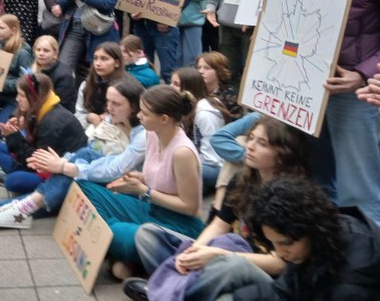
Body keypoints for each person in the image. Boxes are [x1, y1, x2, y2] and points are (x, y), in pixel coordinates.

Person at [125, 117, 310, 301]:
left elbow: (280, 264)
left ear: (282, 153)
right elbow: (219, 225)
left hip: (259, 272)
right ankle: (177, 290)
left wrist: (216, 256)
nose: (250, 146)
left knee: (232, 268)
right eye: (250, 138)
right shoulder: (241, 180)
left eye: (262, 143)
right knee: (147, 234)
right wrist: (194, 252)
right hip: (227, 252)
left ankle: (165, 292)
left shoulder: (292, 196)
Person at [0, 78, 147, 229]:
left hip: (104, 183)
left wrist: (64, 165)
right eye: (108, 102)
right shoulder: (113, 121)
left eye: (116, 104)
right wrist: (17, 136)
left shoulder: (140, 135)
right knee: (3, 152)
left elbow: (113, 168)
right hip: (68, 169)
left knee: (20, 181)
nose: (109, 108)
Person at [303, 0, 380, 223]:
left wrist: (363, 73)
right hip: (311, 89)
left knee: (359, 192)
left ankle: (365, 266)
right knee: (317, 182)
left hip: (356, 93)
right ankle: (330, 257)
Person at [77, 85, 205, 279]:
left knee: (112, 231)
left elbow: (190, 207)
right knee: (83, 187)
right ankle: (126, 252)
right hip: (150, 209)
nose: (139, 116)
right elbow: (161, 178)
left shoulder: (182, 152)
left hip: (178, 224)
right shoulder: (152, 134)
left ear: (164, 119)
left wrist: (144, 190)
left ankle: (123, 249)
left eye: (145, 113)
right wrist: (137, 178)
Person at [232, 177, 380, 300]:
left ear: (311, 229)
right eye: (273, 243)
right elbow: (284, 291)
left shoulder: (353, 278)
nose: (281, 253)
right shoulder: (311, 245)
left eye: (286, 243)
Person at [0, 72, 87, 194]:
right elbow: (33, 150)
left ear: (34, 97)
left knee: (12, 181)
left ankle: (15, 176)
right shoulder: (41, 107)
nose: (17, 99)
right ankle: (17, 173)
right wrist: (20, 128)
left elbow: (37, 163)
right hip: (39, 160)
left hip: (59, 173)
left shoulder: (52, 122)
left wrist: (14, 137)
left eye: (21, 95)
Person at [171, 67, 228, 189]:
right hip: (197, 160)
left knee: (171, 172)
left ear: (188, 88)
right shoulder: (186, 107)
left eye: (176, 84)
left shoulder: (205, 114)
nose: (170, 87)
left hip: (215, 167)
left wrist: (181, 163)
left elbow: (211, 158)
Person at [0, 14, 33, 126]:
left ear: (13, 30)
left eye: (1, 28)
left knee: (0, 128)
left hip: (14, 99)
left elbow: (25, 82)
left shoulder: (23, 53)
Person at [75, 42, 128, 131]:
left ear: (117, 63)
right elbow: (78, 114)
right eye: (95, 58)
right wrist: (89, 117)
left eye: (104, 59)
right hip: (91, 129)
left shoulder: (126, 87)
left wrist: (109, 118)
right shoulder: (86, 85)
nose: (98, 63)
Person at [30, 35, 76, 112]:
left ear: (55, 54)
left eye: (46, 50)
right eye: (38, 50)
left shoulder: (65, 75)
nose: (41, 53)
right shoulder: (33, 68)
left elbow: (61, 105)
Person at [196, 51, 245, 120]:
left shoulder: (230, 95)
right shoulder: (194, 90)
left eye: (207, 68)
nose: (201, 71)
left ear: (219, 71)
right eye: (198, 67)